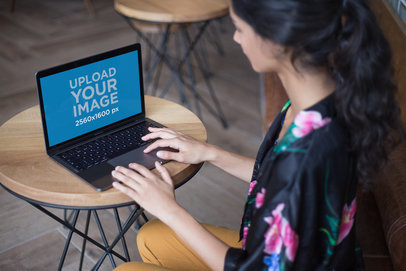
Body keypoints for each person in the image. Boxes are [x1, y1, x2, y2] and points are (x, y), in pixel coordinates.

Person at [112, 0, 403, 270]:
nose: (237, 39)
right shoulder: (326, 97)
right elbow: (284, 182)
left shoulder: (308, 153)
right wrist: (209, 152)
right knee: (150, 235)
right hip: (291, 253)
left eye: (239, 28)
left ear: (276, 41)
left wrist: (170, 209)